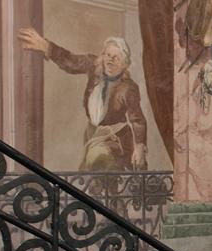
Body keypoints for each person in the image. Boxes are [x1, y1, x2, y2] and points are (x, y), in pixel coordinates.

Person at [17, 27, 148, 171]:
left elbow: (137, 119)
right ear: (102, 56)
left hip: (116, 137)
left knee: (101, 162)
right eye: (108, 55)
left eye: (116, 57)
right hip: (93, 133)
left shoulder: (128, 88)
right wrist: (47, 47)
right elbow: (71, 62)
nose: (110, 60)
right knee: (93, 173)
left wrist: (140, 145)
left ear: (124, 64)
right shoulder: (93, 66)